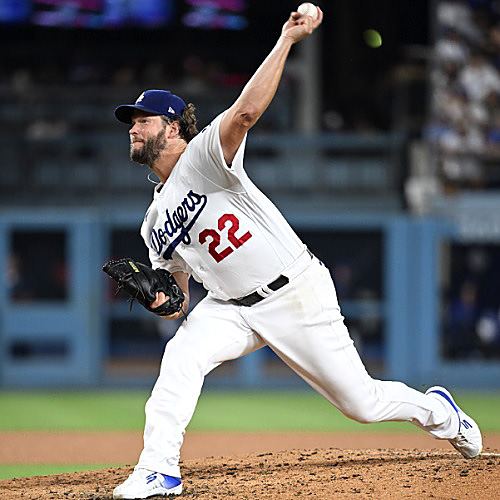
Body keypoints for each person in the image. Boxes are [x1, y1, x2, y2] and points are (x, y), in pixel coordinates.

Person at [111, 7, 482, 499]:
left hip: (293, 292)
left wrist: (287, 39)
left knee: (362, 404)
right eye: (131, 122)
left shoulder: (204, 157)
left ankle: (438, 411)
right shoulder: (153, 222)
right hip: (230, 309)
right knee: (180, 354)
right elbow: (177, 300)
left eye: (144, 119)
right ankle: (159, 470)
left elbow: (245, 113)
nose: (134, 128)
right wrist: (163, 303)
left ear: (175, 127)